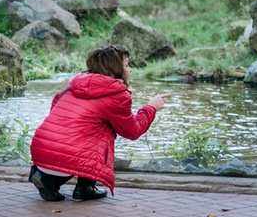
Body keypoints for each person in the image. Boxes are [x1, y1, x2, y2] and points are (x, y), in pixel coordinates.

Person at [28, 45, 169, 202]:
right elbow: (132, 131)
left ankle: (44, 176)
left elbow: (55, 107)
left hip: (40, 150)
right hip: (64, 154)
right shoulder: (117, 95)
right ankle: (80, 187)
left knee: (89, 127)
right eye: (127, 65)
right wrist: (151, 108)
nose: (130, 70)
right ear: (115, 69)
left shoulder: (73, 84)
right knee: (102, 130)